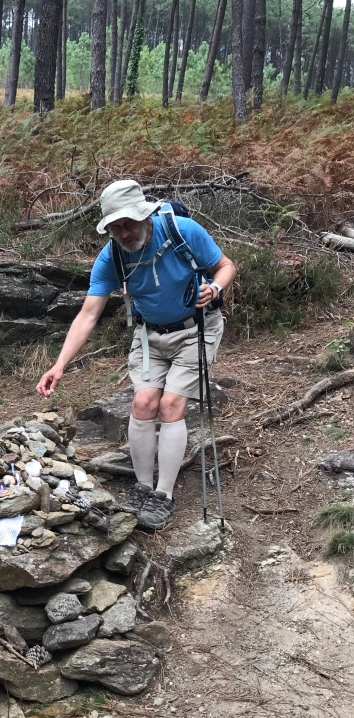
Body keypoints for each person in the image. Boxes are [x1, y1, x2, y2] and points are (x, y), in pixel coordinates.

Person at [37, 179, 237, 531]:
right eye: (115, 227)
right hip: (149, 336)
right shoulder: (110, 256)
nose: (124, 233)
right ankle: (142, 486)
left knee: (170, 405)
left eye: (128, 223)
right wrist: (60, 364)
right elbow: (88, 314)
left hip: (196, 329)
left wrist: (215, 288)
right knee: (143, 404)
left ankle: (163, 495)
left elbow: (225, 265)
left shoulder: (181, 230)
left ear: (145, 215)